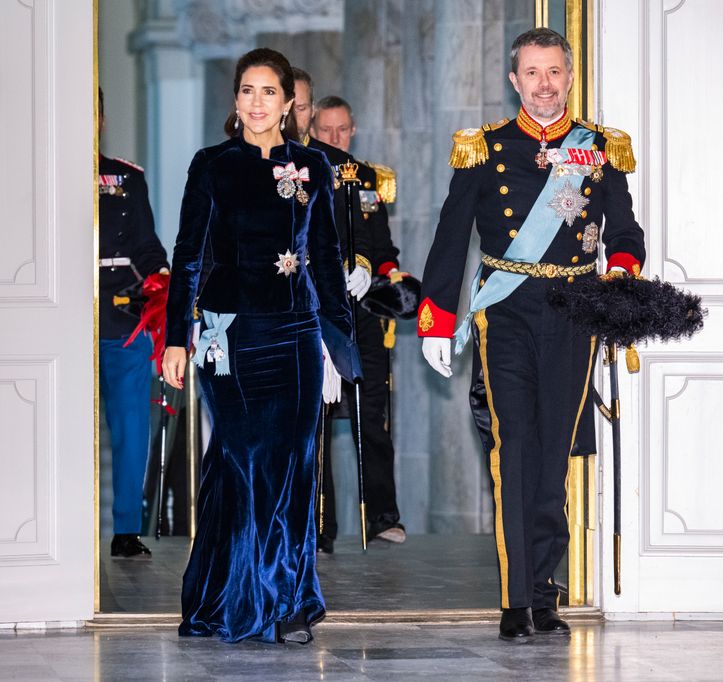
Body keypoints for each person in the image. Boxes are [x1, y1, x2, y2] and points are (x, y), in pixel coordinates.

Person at [418, 27, 645, 641]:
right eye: (533, 74)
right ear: (514, 81)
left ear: (569, 77)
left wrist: (621, 276)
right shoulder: (483, 148)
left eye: (554, 73)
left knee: (554, 453)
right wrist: (436, 318)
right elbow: (450, 236)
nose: (544, 86)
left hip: (575, 315)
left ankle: (545, 592)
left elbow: (625, 233)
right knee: (513, 448)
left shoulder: (601, 149)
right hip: (507, 312)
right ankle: (517, 601)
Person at [161, 48, 362, 644]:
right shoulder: (213, 165)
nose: (256, 102)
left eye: (268, 91)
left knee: (295, 465)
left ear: (288, 101)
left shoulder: (313, 167)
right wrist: (178, 337)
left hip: (298, 333)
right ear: (235, 100)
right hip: (233, 335)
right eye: (246, 90)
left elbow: (325, 258)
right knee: (244, 464)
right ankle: (240, 599)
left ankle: (290, 600)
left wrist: (337, 341)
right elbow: (187, 256)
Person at [310, 93, 408, 547]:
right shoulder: (305, 172)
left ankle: (383, 516)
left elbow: (382, 244)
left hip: (364, 310)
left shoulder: (368, 177)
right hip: (318, 310)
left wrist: (385, 272)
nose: (335, 138)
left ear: (353, 129)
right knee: (319, 421)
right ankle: (320, 526)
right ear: (312, 130)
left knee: (373, 414)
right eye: (326, 129)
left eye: (342, 129)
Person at [97, 86, 169, 559]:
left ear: (102, 117)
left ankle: (126, 528)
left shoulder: (125, 178)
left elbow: (146, 245)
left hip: (122, 317)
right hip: (61, 319)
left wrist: (162, 275)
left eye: (93, 109)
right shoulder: (37, 173)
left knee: (129, 426)